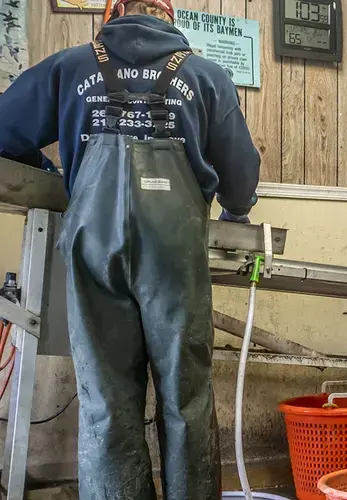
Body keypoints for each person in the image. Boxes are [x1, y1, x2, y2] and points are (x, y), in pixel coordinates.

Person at [0, 1, 260, 498]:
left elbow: (3, 131)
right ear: (169, 17)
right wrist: (234, 212)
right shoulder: (206, 76)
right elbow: (242, 182)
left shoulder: (70, 66)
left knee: (107, 401)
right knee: (186, 396)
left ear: (114, 12)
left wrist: (51, 172)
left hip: (93, 246)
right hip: (173, 249)